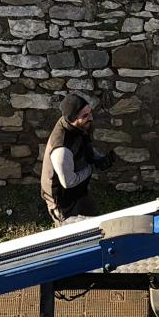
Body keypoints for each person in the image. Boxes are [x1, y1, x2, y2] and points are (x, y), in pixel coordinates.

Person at [40, 90, 112, 224]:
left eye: (90, 112)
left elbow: (83, 144)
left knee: (95, 221)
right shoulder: (61, 150)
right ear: (73, 119)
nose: (90, 117)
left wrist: (97, 157)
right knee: (76, 235)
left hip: (79, 191)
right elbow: (68, 182)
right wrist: (90, 168)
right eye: (85, 115)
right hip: (64, 202)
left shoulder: (77, 126)